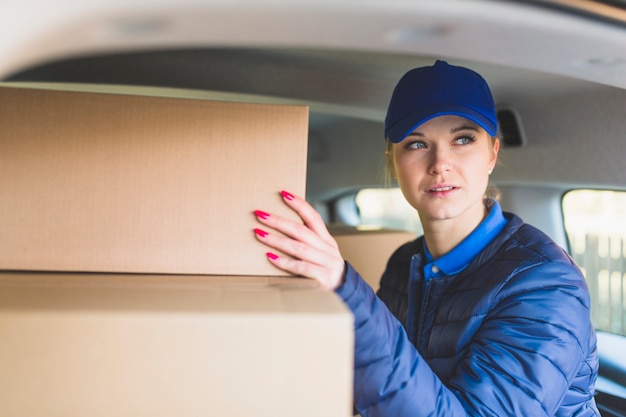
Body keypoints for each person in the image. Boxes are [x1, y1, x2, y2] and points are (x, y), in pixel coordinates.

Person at [253, 60, 599, 416]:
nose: (440, 163)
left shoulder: (545, 284)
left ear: (493, 152)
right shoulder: (404, 263)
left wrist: (348, 291)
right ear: (393, 160)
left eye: (463, 139)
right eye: (417, 144)